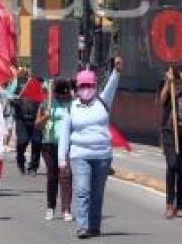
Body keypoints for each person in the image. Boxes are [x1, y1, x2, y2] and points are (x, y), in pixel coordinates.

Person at [59, 57, 123, 239]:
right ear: (77, 88)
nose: (86, 89)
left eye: (89, 85)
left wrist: (116, 71)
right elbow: (64, 135)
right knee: (82, 191)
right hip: (80, 155)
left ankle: (95, 226)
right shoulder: (71, 108)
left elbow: (111, 85)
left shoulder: (103, 102)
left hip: (102, 156)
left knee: (97, 193)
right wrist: (62, 160)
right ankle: (82, 227)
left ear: (95, 86)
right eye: (83, 85)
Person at [158, 66, 182, 219]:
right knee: (172, 165)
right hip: (169, 130)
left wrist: (181, 75)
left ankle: (180, 205)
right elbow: (162, 101)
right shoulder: (166, 84)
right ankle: (169, 204)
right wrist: (168, 83)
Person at [36, 78, 73, 222]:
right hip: (49, 145)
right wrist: (46, 116)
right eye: (61, 94)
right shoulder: (47, 103)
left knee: (66, 176)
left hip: (66, 146)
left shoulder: (72, 105)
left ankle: (66, 209)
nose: (64, 96)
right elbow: (37, 125)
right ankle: (50, 207)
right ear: (55, 93)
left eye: (66, 93)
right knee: (52, 176)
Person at [12, 73, 42, 175]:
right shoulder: (19, 82)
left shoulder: (40, 83)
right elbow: (9, 94)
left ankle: (33, 166)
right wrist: (14, 99)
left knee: (37, 143)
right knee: (22, 141)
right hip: (21, 119)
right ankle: (20, 160)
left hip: (36, 118)